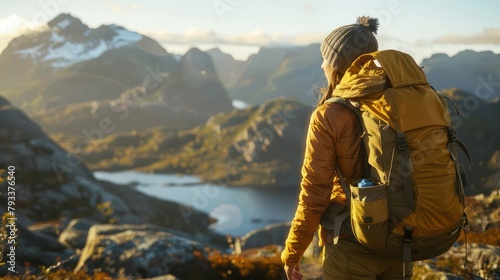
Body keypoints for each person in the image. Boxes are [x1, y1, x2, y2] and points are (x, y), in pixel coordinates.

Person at [281, 16, 413, 279]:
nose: (322, 65)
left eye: (326, 59)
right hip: (401, 241)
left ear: (338, 66)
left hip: (351, 243)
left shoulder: (329, 115)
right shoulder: (402, 103)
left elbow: (314, 193)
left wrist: (292, 253)